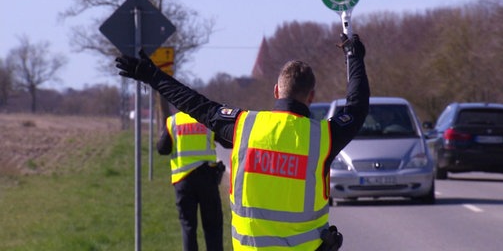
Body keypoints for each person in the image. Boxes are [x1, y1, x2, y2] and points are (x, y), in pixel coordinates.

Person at [116, 33, 370, 250]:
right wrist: (354, 57)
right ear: (311, 96)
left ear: (275, 91)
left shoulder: (244, 126)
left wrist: (152, 75)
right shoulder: (324, 137)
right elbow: (357, 106)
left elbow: (195, 104)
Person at [157, 111, 225, 251]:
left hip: (184, 181)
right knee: (212, 226)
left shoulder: (174, 122)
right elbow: (226, 140)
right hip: (207, 178)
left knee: (188, 226)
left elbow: (162, 149)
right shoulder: (206, 118)